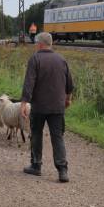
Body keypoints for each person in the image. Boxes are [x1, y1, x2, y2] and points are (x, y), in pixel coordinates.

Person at [19, 32, 74, 183]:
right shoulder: (61, 59)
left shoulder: (35, 58)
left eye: (36, 43)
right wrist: (68, 99)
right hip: (57, 106)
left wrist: (24, 103)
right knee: (58, 137)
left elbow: (29, 83)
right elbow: (69, 84)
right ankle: (62, 171)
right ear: (50, 44)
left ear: (40, 44)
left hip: (39, 106)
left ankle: (36, 166)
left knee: (36, 134)